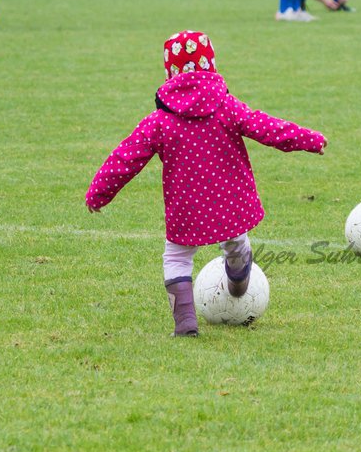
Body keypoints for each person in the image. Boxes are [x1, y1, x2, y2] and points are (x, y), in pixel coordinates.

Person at [86, 31, 325, 337]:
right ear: (211, 64)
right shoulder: (228, 107)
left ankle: (185, 323)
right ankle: (239, 286)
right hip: (231, 202)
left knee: (177, 257)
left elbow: (124, 159)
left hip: (186, 207)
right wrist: (311, 140)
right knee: (237, 243)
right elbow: (268, 128)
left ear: (170, 71)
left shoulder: (159, 121)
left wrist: (98, 194)